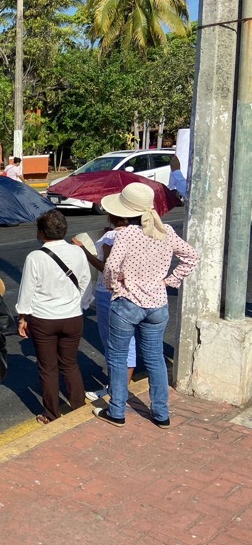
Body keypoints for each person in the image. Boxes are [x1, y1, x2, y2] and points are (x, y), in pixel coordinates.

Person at [95, 183, 199, 429]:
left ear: (125, 212)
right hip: (158, 304)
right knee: (155, 358)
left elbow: (110, 267)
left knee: (118, 357)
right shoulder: (166, 231)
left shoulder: (126, 235)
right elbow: (192, 257)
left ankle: (117, 411)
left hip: (128, 303)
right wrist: (170, 281)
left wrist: (115, 287)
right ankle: (161, 413)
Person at [16, 209, 90, 424]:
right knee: (70, 364)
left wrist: (23, 317)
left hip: (44, 319)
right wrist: (81, 305)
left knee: (48, 368)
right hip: (73, 316)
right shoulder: (77, 252)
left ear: (41, 233)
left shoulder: (35, 257)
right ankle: (79, 406)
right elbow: (85, 282)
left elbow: (27, 290)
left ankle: (52, 414)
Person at [72, 214, 137, 401]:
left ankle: (115, 390)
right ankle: (122, 386)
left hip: (108, 292)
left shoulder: (111, 238)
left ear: (111, 215)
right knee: (128, 340)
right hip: (131, 291)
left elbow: (107, 268)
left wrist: (83, 249)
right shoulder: (139, 234)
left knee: (111, 342)